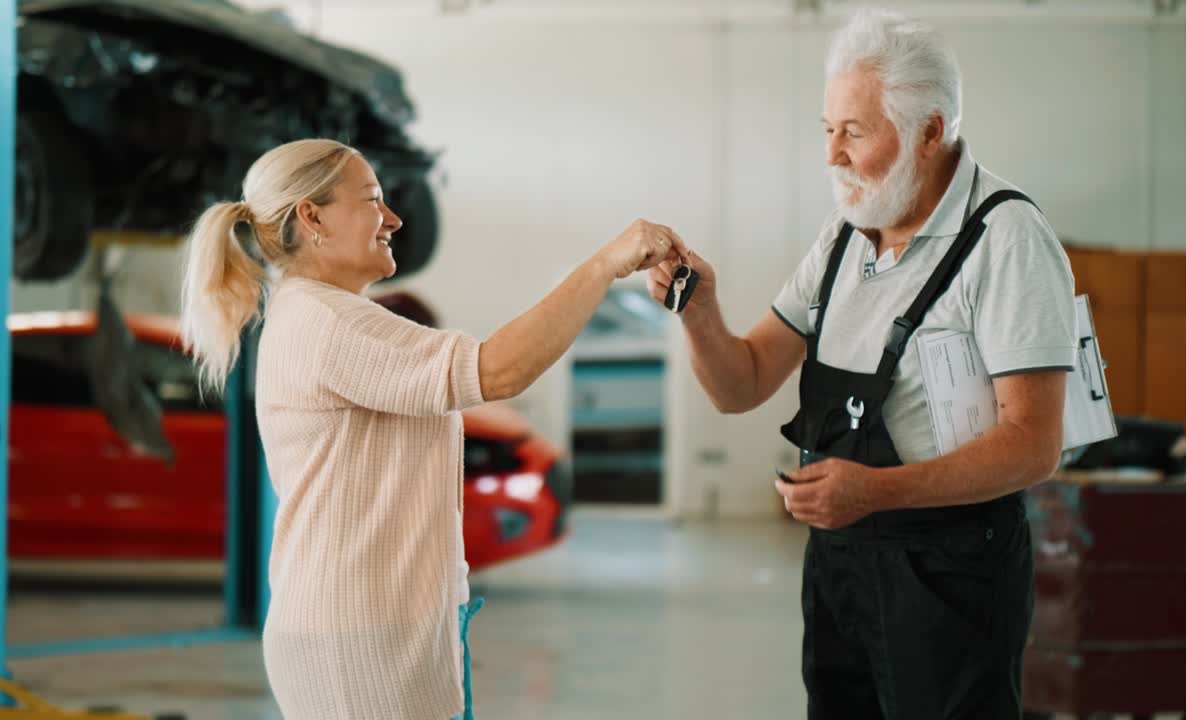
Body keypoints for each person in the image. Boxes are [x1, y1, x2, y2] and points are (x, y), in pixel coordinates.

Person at [648, 8, 1076, 719]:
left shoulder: (1006, 238)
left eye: (855, 131)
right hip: (842, 566)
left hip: (956, 572)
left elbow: (1035, 443)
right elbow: (742, 383)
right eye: (827, 129)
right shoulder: (845, 237)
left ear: (930, 131)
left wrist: (878, 491)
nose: (832, 154)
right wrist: (700, 312)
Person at [179, 138, 686, 720]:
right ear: (312, 217)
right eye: (372, 200)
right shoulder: (327, 322)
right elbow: (498, 369)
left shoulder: (318, 315)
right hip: (359, 645)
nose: (393, 218)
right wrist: (605, 266)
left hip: (374, 632)